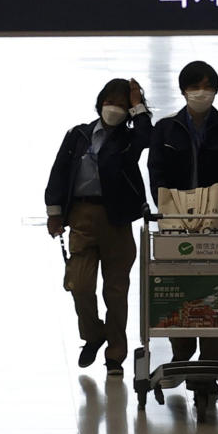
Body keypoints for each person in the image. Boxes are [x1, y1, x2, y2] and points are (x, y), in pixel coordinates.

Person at [147, 61, 218, 396]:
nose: (200, 92)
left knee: (215, 292)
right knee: (177, 286)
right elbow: (156, 171)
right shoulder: (165, 129)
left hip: (217, 225)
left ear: (216, 90)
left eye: (207, 86)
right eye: (194, 86)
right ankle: (182, 351)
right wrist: (166, 210)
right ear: (183, 90)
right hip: (175, 225)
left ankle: (208, 368)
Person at [46, 78, 152, 377]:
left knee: (116, 291)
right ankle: (93, 335)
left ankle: (115, 352)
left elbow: (148, 136)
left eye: (122, 104)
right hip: (81, 216)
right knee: (79, 285)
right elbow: (59, 172)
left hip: (116, 220)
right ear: (100, 102)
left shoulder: (130, 140)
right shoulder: (78, 135)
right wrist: (54, 212)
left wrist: (138, 106)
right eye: (111, 101)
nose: (114, 108)